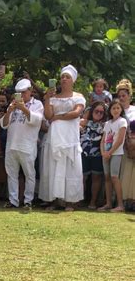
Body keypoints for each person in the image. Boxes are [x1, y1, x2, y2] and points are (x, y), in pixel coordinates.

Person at [39, 65, 86, 211]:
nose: (64, 79)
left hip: (70, 138)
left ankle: (70, 202)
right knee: (52, 168)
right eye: (63, 77)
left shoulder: (78, 97)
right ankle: (53, 200)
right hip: (54, 137)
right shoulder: (53, 98)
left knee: (70, 169)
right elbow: (48, 116)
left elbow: (76, 113)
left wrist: (58, 117)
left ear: (73, 80)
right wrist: (47, 99)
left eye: (67, 77)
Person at [0, 79, 44, 209]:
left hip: (27, 145)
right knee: (11, 174)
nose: (21, 95)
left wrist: (23, 108)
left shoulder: (37, 104)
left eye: (24, 92)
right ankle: (13, 201)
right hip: (11, 144)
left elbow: (37, 121)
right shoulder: (12, 105)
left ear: (30, 91)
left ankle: (28, 201)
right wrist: (9, 111)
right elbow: (4, 124)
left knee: (29, 174)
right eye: (18, 93)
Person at [98, 100, 127, 212]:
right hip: (105, 154)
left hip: (116, 153)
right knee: (107, 178)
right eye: (113, 108)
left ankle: (120, 205)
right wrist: (103, 152)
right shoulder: (107, 123)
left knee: (114, 177)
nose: (115, 110)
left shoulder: (122, 121)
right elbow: (103, 140)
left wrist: (109, 152)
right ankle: (108, 203)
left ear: (121, 110)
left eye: (118, 108)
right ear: (110, 110)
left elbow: (120, 140)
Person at [80, 102, 106, 209]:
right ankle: (79, 200)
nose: (99, 114)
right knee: (82, 178)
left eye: (101, 112)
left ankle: (93, 202)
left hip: (98, 155)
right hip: (83, 153)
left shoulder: (105, 125)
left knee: (96, 178)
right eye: (96, 111)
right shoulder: (83, 122)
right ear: (92, 111)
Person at [116, 79, 135, 211]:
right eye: (120, 96)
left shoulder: (134, 110)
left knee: (130, 173)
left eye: (124, 95)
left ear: (129, 96)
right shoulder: (116, 110)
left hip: (132, 145)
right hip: (118, 146)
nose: (122, 98)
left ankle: (131, 201)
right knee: (119, 173)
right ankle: (119, 201)